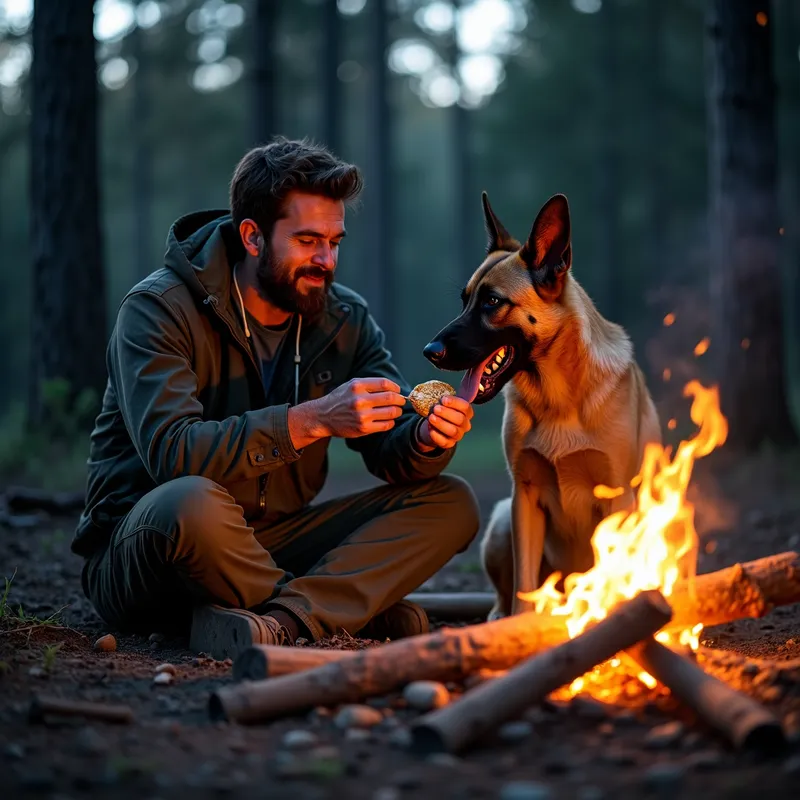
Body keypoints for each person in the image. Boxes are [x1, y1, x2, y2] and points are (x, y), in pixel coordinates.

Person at [72, 136, 480, 659]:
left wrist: (424, 438)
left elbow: (393, 452)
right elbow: (173, 454)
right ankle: (349, 613)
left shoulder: (343, 321)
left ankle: (285, 619)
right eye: (308, 241)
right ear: (253, 236)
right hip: (153, 546)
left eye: (335, 242)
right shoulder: (158, 309)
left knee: (451, 501)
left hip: (276, 540)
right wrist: (311, 421)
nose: (326, 261)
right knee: (192, 502)